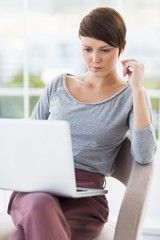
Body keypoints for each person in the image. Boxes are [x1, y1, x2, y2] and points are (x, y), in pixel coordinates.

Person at [8, 6, 157, 240]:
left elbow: (144, 154)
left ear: (122, 47)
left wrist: (137, 88)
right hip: (37, 190)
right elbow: (31, 138)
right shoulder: (58, 86)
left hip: (87, 199)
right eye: (87, 49)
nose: (94, 59)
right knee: (40, 205)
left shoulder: (131, 97)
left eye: (104, 50)